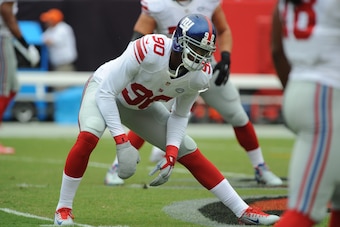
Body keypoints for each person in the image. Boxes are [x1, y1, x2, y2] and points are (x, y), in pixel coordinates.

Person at [53, 14, 280, 226]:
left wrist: (171, 153)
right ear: (180, 41)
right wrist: (121, 141)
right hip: (104, 91)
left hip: (140, 106)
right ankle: (63, 209)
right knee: (89, 135)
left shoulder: (200, 75)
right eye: (196, 49)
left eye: (205, 52)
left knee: (188, 150)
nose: (201, 57)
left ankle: (243, 211)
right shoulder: (149, 49)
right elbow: (106, 93)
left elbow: (180, 115)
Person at [104, 0, 283, 187]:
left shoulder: (208, 2)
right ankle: (117, 166)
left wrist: (226, 56)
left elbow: (223, 30)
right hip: (169, 70)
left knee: (237, 114)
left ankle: (260, 166)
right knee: (150, 117)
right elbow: (138, 38)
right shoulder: (158, 4)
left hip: (204, 68)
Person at [271, 0, 340, 226]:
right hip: (327, 95)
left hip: (302, 87)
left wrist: (295, 92)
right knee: (304, 211)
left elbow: (277, 51)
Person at [0, 0, 40, 154]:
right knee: (3, 89)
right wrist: (25, 44)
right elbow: (6, 12)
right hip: (2, 39)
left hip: (6, 39)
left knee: (12, 88)